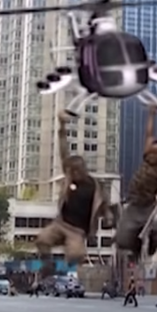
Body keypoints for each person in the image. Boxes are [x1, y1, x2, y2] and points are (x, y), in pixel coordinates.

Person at [34, 112, 113, 284]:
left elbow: (105, 204)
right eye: (72, 171)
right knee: (42, 240)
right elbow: (64, 151)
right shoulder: (69, 178)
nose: (75, 174)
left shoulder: (95, 186)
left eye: (78, 171)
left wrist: (108, 216)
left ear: (84, 169)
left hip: (78, 231)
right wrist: (62, 126)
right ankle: (47, 265)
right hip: (61, 224)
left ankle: (64, 270)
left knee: (76, 255)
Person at [114, 104, 157, 257]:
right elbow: (149, 134)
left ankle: (151, 246)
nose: (152, 155)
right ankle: (135, 248)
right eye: (151, 152)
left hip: (149, 208)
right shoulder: (145, 160)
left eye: (156, 153)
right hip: (133, 206)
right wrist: (151, 114)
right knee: (121, 240)